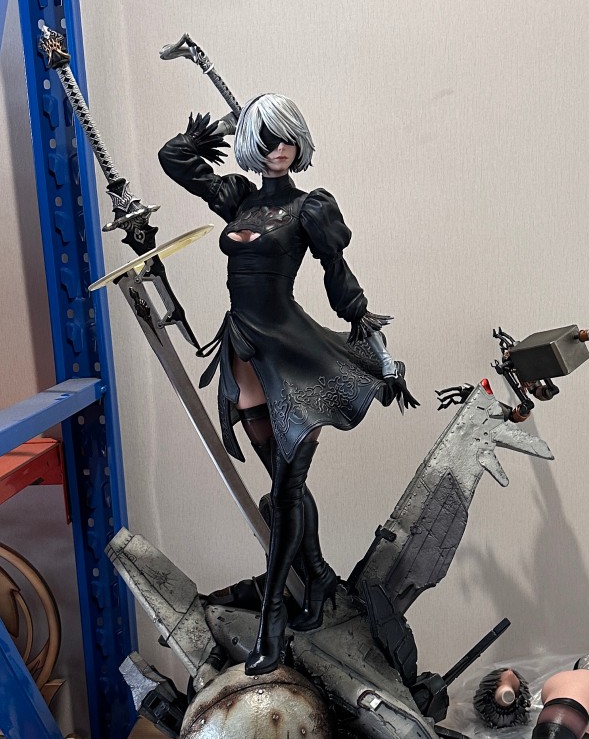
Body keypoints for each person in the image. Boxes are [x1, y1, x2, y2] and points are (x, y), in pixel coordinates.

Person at [159, 93, 415, 674]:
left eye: (286, 138)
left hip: (293, 354)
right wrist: (231, 122)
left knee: (284, 494)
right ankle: (319, 578)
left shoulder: (309, 208)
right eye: (266, 138)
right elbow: (174, 158)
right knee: (285, 490)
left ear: (299, 144)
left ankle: (272, 621)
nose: (277, 149)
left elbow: (338, 279)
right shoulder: (239, 199)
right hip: (244, 350)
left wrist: (373, 341)